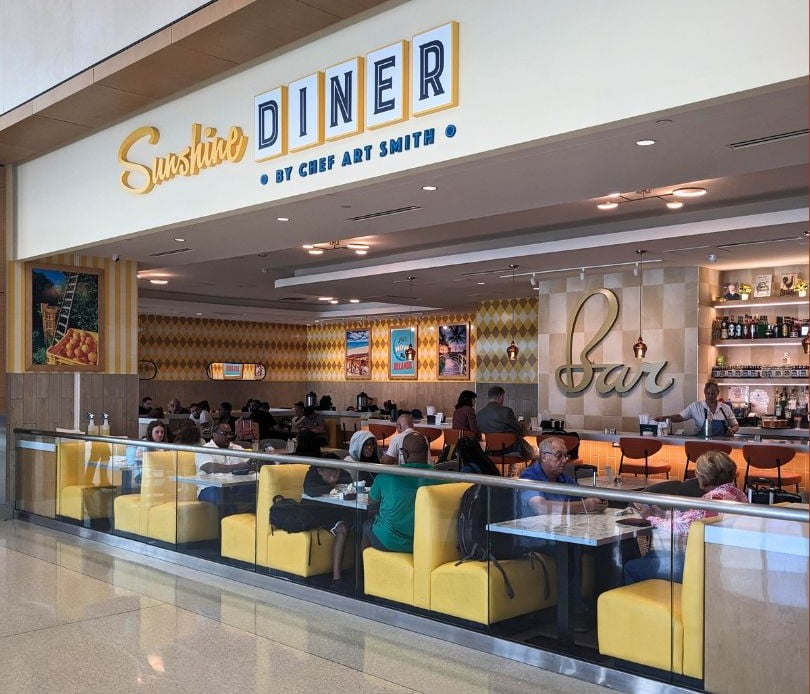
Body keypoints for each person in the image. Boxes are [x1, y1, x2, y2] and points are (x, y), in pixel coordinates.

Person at [624, 451, 748, 584]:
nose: (696, 475)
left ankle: (651, 601)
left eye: (698, 472)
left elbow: (680, 528)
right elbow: (691, 519)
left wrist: (650, 517)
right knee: (651, 556)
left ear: (705, 476)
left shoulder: (712, 500)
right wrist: (663, 514)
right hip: (720, 560)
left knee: (631, 567)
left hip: (701, 566)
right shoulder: (736, 494)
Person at [362, 433, 443, 553]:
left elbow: (371, 502)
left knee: (366, 525)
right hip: (428, 541)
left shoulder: (386, 476)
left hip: (390, 541)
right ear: (427, 451)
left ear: (404, 453)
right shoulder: (443, 478)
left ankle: (364, 569)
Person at [519, 437, 608, 515]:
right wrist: (584, 506)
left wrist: (597, 502)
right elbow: (540, 507)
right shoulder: (529, 477)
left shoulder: (563, 477)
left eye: (566, 456)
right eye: (559, 455)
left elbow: (581, 495)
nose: (565, 460)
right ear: (544, 457)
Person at [195, 423, 254, 513]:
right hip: (210, 488)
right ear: (214, 435)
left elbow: (249, 462)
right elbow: (209, 467)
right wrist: (237, 467)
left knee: (256, 489)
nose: (229, 436)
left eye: (230, 433)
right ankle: (223, 525)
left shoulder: (236, 448)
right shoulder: (204, 449)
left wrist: (253, 463)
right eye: (225, 434)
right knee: (222, 495)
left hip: (234, 488)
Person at [656, 380, 739, 435]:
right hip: (701, 442)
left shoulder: (725, 408)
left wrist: (732, 431)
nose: (710, 396)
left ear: (717, 393)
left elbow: (735, 425)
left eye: (713, 394)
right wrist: (664, 418)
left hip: (722, 443)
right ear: (704, 392)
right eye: (708, 393)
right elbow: (680, 417)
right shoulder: (696, 406)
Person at [476, 385, 531, 457]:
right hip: (511, 450)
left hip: (491, 452)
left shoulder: (480, 414)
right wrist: (523, 424)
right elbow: (519, 430)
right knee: (535, 452)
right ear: (501, 397)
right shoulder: (506, 411)